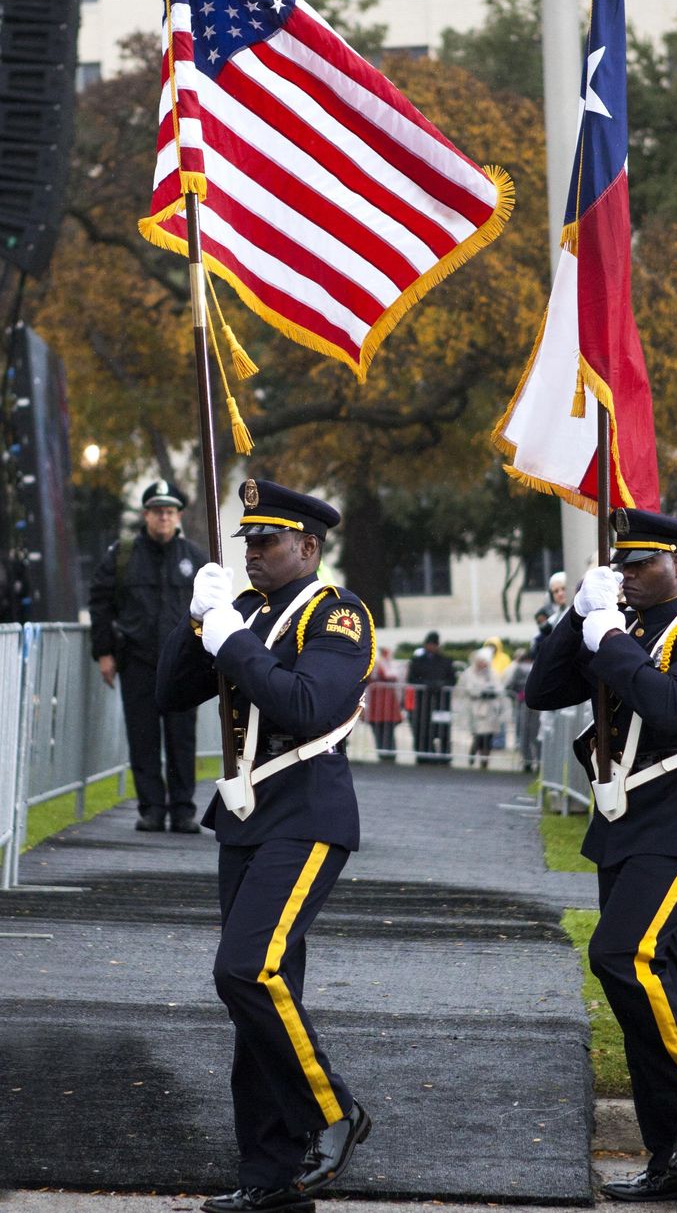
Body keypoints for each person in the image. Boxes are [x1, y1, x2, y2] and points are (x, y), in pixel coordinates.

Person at [156, 479, 374, 1213]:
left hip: (306, 811)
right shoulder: (241, 611)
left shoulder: (338, 614)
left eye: (268, 541)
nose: (254, 552)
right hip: (247, 817)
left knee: (245, 970)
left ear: (308, 547)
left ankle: (333, 1112)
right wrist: (196, 620)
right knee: (261, 1002)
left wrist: (234, 639)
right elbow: (169, 692)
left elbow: (307, 704)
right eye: (247, 540)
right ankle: (271, 1174)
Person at [524, 509, 677, 1203]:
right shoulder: (624, 625)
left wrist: (609, 636)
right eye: (621, 562)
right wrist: (578, 617)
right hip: (623, 823)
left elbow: (676, 705)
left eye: (641, 562)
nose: (627, 573)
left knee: (621, 955)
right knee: (651, 987)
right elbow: (543, 690)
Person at [88, 480, 206, 833]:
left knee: (182, 738)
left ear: (179, 516)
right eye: (157, 512)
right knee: (143, 738)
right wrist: (104, 652)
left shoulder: (195, 558)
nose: (163, 518)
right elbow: (100, 602)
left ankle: (183, 810)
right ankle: (152, 809)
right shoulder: (122, 556)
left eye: (169, 512)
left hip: (183, 664)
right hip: (137, 660)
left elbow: (213, 609)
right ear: (146, 515)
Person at [406, 631, 457, 763]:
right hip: (424, 702)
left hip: (441, 701)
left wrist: (441, 684)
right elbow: (411, 679)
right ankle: (423, 754)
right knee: (423, 728)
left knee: (443, 728)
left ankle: (444, 755)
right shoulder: (418, 661)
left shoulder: (446, 661)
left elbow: (452, 680)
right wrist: (426, 684)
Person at [459, 646, 507, 769]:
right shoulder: (469, 672)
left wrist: (492, 692)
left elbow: (499, 687)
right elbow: (467, 688)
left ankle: (485, 760)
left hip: (490, 709)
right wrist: (480, 692)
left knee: (488, 736)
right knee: (479, 735)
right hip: (475, 709)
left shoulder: (492, 673)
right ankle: (474, 750)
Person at [365, 645, 402, 760]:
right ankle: (384, 753)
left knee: (387, 730)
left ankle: (388, 753)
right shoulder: (377, 664)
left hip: (386, 704)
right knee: (380, 729)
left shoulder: (388, 664)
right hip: (377, 704)